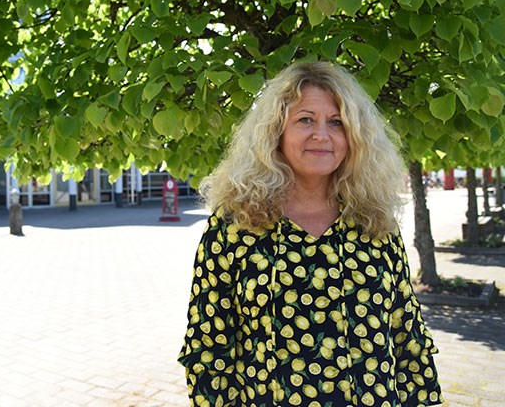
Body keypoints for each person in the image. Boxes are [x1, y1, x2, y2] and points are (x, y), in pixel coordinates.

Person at [177, 61, 442, 407]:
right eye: (305, 120)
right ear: (276, 131)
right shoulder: (235, 226)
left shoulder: (374, 222)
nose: (322, 135)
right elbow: (208, 350)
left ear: (353, 136)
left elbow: (408, 336)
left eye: (336, 123)